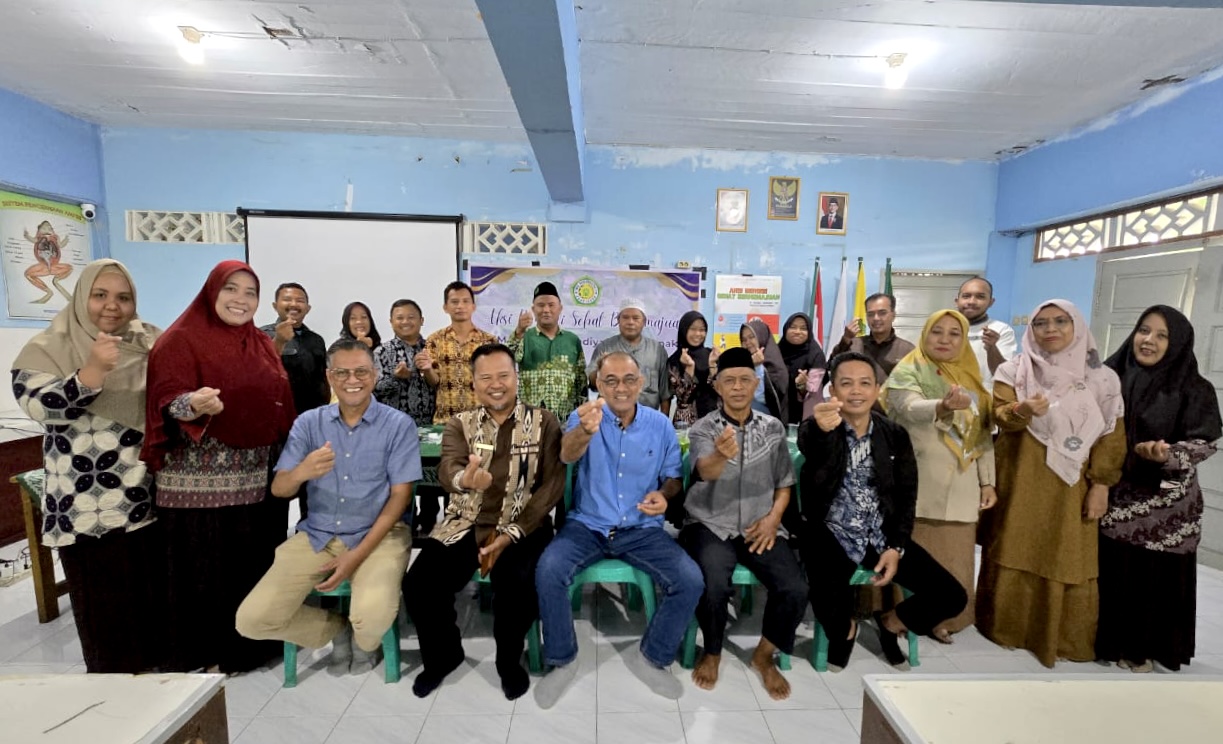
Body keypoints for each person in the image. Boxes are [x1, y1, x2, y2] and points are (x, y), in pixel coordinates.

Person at [11, 259, 166, 673]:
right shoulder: (49, 346)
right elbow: (38, 407)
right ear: (82, 297)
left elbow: (170, 391)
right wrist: (92, 372)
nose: (111, 306)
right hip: (85, 508)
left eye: (123, 297)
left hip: (143, 499)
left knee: (148, 607)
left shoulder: (149, 340)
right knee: (104, 617)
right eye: (100, 295)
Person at [142, 260, 297, 673]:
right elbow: (166, 397)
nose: (241, 300)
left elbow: (276, 395)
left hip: (252, 478)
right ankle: (202, 653)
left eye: (250, 292)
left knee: (246, 565)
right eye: (232, 289)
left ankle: (247, 648)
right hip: (195, 486)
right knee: (203, 569)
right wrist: (191, 404)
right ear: (212, 291)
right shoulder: (181, 339)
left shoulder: (259, 342)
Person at [235, 338, 418, 675]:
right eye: (343, 372)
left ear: (375, 375)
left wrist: (355, 556)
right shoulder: (309, 423)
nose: (353, 380)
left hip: (379, 536)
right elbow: (279, 489)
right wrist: (302, 471)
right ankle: (334, 628)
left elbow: (399, 498)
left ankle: (362, 636)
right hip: (317, 536)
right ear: (330, 376)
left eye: (361, 371)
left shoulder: (398, 425)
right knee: (252, 620)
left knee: (372, 620)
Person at [533, 352, 702, 708]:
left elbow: (672, 478)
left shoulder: (660, 425)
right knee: (549, 570)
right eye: (610, 380)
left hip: (641, 527)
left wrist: (663, 495)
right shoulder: (585, 416)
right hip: (588, 524)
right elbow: (566, 455)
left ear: (641, 383)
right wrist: (585, 430)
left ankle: (653, 657)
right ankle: (562, 660)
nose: (620, 388)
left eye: (628, 379)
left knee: (690, 579)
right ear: (598, 384)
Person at [404, 343, 564, 700]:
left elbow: (553, 484)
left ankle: (509, 662)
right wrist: (465, 480)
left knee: (519, 583)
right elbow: (448, 469)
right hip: (465, 521)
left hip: (524, 525)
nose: (496, 384)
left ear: (516, 378)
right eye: (486, 377)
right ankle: (444, 655)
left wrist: (514, 532)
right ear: (474, 383)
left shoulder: (544, 422)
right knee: (419, 584)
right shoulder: (459, 424)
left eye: (503, 376)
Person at [976, 300, 1126, 668]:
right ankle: (1007, 628)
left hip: (1073, 484)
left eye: (1060, 321)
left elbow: (1111, 433)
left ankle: (1063, 637)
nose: (1050, 329)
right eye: (1041, 323)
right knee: (1014, 543)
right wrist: (1023, 410)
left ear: (1077, 326)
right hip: (1021, 476)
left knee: (1065, 551)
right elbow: (998, 417)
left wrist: (1101, 484)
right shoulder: (1015, 371)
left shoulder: (1102, 379)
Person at [797, 351, 967, 670]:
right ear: (833, 390)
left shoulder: (894, 435)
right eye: (846, 384)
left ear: (877, 389)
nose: (856, 391)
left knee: (951, 595)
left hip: (880, 535)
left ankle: (891, 622)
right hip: (830, 533)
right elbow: (810, 444)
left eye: (865, 383)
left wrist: (896, 547)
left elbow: (906, 496)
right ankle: (846, 632)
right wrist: (820, 429)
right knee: (823, 596)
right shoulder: (818, 428)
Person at [1097, 306, 1221, 672]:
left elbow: (1205, 442)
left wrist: (1167, 454)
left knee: (1153, 576)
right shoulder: (1111, 376)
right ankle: (1108, 641)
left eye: (1161, 335)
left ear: (1178, 342)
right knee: (1116, 569)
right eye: (1143, 330)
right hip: (1118, 490)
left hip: (1168, 495)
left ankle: (1145, 647)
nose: (1148, 340)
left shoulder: (1194, 387)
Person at [679, 347, 808, 699]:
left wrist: (773, 519)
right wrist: (721, 453)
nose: (737, 387)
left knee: (795, 588)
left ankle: (764, 655)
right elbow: (705, 471)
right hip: (710, 522)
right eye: (729, 381)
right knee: (713, 583)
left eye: (745, 380)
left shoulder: (773, 428)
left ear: (756, 385)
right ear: (717, 387)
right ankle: (713, 650)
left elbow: (784, 483)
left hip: (758, 523)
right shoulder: (704, 427)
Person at [882, 310, 996, 644]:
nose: (945, 340)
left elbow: (983, 435)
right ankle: (905, 615)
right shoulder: (909, 369)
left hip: (962, 482)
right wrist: (943, 406)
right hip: (918, 479)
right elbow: (907, 407)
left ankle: (947, 618)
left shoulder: (973, 379)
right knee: (915, 558)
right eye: (937, 332)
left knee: (955, 555)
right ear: (925, 335)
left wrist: (987, 481)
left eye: (954, 333)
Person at [507, 281, 588, 421]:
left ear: (560, 308)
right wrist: (519, 332)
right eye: (541, 305)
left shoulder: (572, 340)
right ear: (533, 309)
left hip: (565, 418)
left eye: (551, 305)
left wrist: (582, 415)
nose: (546, 310)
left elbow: (581, 380)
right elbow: (508, 360)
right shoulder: (524, 337)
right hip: (530, 417)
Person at [423, 281, 498, 423]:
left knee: (485, 447)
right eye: (455, 302)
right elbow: (434, 381)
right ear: (445, 307)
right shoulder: (435, 340)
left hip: (482, 420)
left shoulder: (489, 341)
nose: (460, 306)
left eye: (465, 301)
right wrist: (427, 370)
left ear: (473, 307)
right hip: (446, 420)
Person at [587, 298, 671, 414]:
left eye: (636, 318)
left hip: (647, 419)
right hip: (611, 418)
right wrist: (600, 368)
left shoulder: (657, 350)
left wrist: (663, 422)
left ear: (644, 322)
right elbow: (592, 383)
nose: (630, 322)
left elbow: (665, 392)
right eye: (625, 317)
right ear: (618, 320)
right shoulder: (605, 347)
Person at [260, 282, 330, 416]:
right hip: (274, 418)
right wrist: (279, 341)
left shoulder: (316, 339)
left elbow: (322, 382)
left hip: (311, 418)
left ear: (307, 308)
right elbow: (258, 373)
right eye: (287, 299)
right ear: (275, 306)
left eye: (300, 301)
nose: (293, 304)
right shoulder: (261, 336)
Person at [373, 299, 435, 425]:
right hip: (394, 426)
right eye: (400, 318)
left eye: (411, 317)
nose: (405, 322)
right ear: (391, 322)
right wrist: (396, 378)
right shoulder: (382, 351)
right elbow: (374, 390)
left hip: (432, 426)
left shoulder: (433, 348)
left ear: (421, 320)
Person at [830, 293, 914, 381]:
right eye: (870, 314)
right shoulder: (854, 345)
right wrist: (846, 339)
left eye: (882, 313)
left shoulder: (907, 350)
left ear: (893, 316)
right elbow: (832, 367)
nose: (876, 318)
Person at [954, 277, 1017, 389]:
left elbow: (1005, 374)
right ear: (957, 301)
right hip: (947, 398)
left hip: (987, 400)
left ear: (991, 302)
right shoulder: (944, 329)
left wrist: (992, 347)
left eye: (980, 297)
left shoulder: (1001, 330)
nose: (971, 301)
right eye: (966, 296)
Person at [667, 310, 720, 427]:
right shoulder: (674, 360)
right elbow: (683, 398)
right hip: (686, 423)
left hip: (714, 420)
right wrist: (689, 369)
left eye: (702, 330)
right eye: (693, 329)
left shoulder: (711, 355)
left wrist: (712, 365)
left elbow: (721, 390)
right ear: (684, 330)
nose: (698, 334)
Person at [778, 312, 827, 423]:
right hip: (777, 411)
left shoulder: (816, 355)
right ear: (785, 329)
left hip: (805, 415)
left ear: (809, 332)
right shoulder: (777, 352)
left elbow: (814, 392)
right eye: (793, 327)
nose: (797, 332)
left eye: (803, 328)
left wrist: (801, 385)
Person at [740, 319, 789, 425]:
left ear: (761, 336)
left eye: (752, 337)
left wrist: (758, 368)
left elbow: (762, 399)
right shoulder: (743, 362)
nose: (747, 343)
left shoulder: (775, 365)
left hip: (767, 422)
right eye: (744, 340)